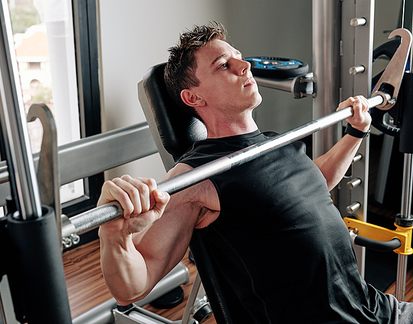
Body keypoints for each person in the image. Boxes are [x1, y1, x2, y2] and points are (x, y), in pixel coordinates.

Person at [97, 22, 413, 323]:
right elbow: (132, 287)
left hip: (376, 308)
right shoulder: (196, 177)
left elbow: (316, 180)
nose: (244, 66)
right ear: (194, 97)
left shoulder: (278, 142)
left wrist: (355, 133)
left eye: (239, 58)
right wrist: (116, 237)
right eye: (224, 65)